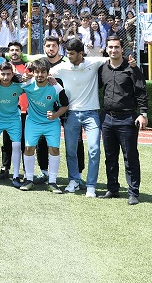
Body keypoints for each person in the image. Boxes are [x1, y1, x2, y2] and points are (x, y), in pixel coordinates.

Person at [50, 37, 108, 197]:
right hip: (71, 114)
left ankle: (91, 186)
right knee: (71, 150)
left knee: (94, 149)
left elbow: (112, 58)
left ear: (81, 53)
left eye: (72, 53)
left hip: (92, 113)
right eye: (67, 53)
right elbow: (42, 72)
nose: (68, 56)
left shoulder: (93, 62)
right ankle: (74, 181)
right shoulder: (61, 67)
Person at [99, 35, 148, 205]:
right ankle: (112, 189)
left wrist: (143, 114)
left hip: (127, 119)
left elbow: (141, 91)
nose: (113, 50)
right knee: (110, 156)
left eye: (116, 47)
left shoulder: (132, 68)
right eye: (110, 47)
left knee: (130, 157)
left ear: (122, 49)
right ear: (106, 49)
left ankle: (133, 192)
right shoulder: (102, 69)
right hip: (107, 119)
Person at [19, 58, 70, 193]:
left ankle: (52, 182)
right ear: (33, 73)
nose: (40, 75)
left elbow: (65, 105)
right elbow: (10, 80)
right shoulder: (27, 84)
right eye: (37, 72)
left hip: (51, 123)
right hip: (33, 122)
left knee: (54, 149)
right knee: (29, 148)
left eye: (43, 72)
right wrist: (24, 76)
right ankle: (29, 180)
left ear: (48, 73)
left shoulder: (56, 87)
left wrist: (55, 115)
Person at [0, 62, 25, 187]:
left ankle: (16, 176)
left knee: (17, 145)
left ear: (12, 74)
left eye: (8, 74)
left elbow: (33, 85)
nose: (6, 77)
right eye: (3, 74)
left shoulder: (18, 86)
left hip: (13, 119)